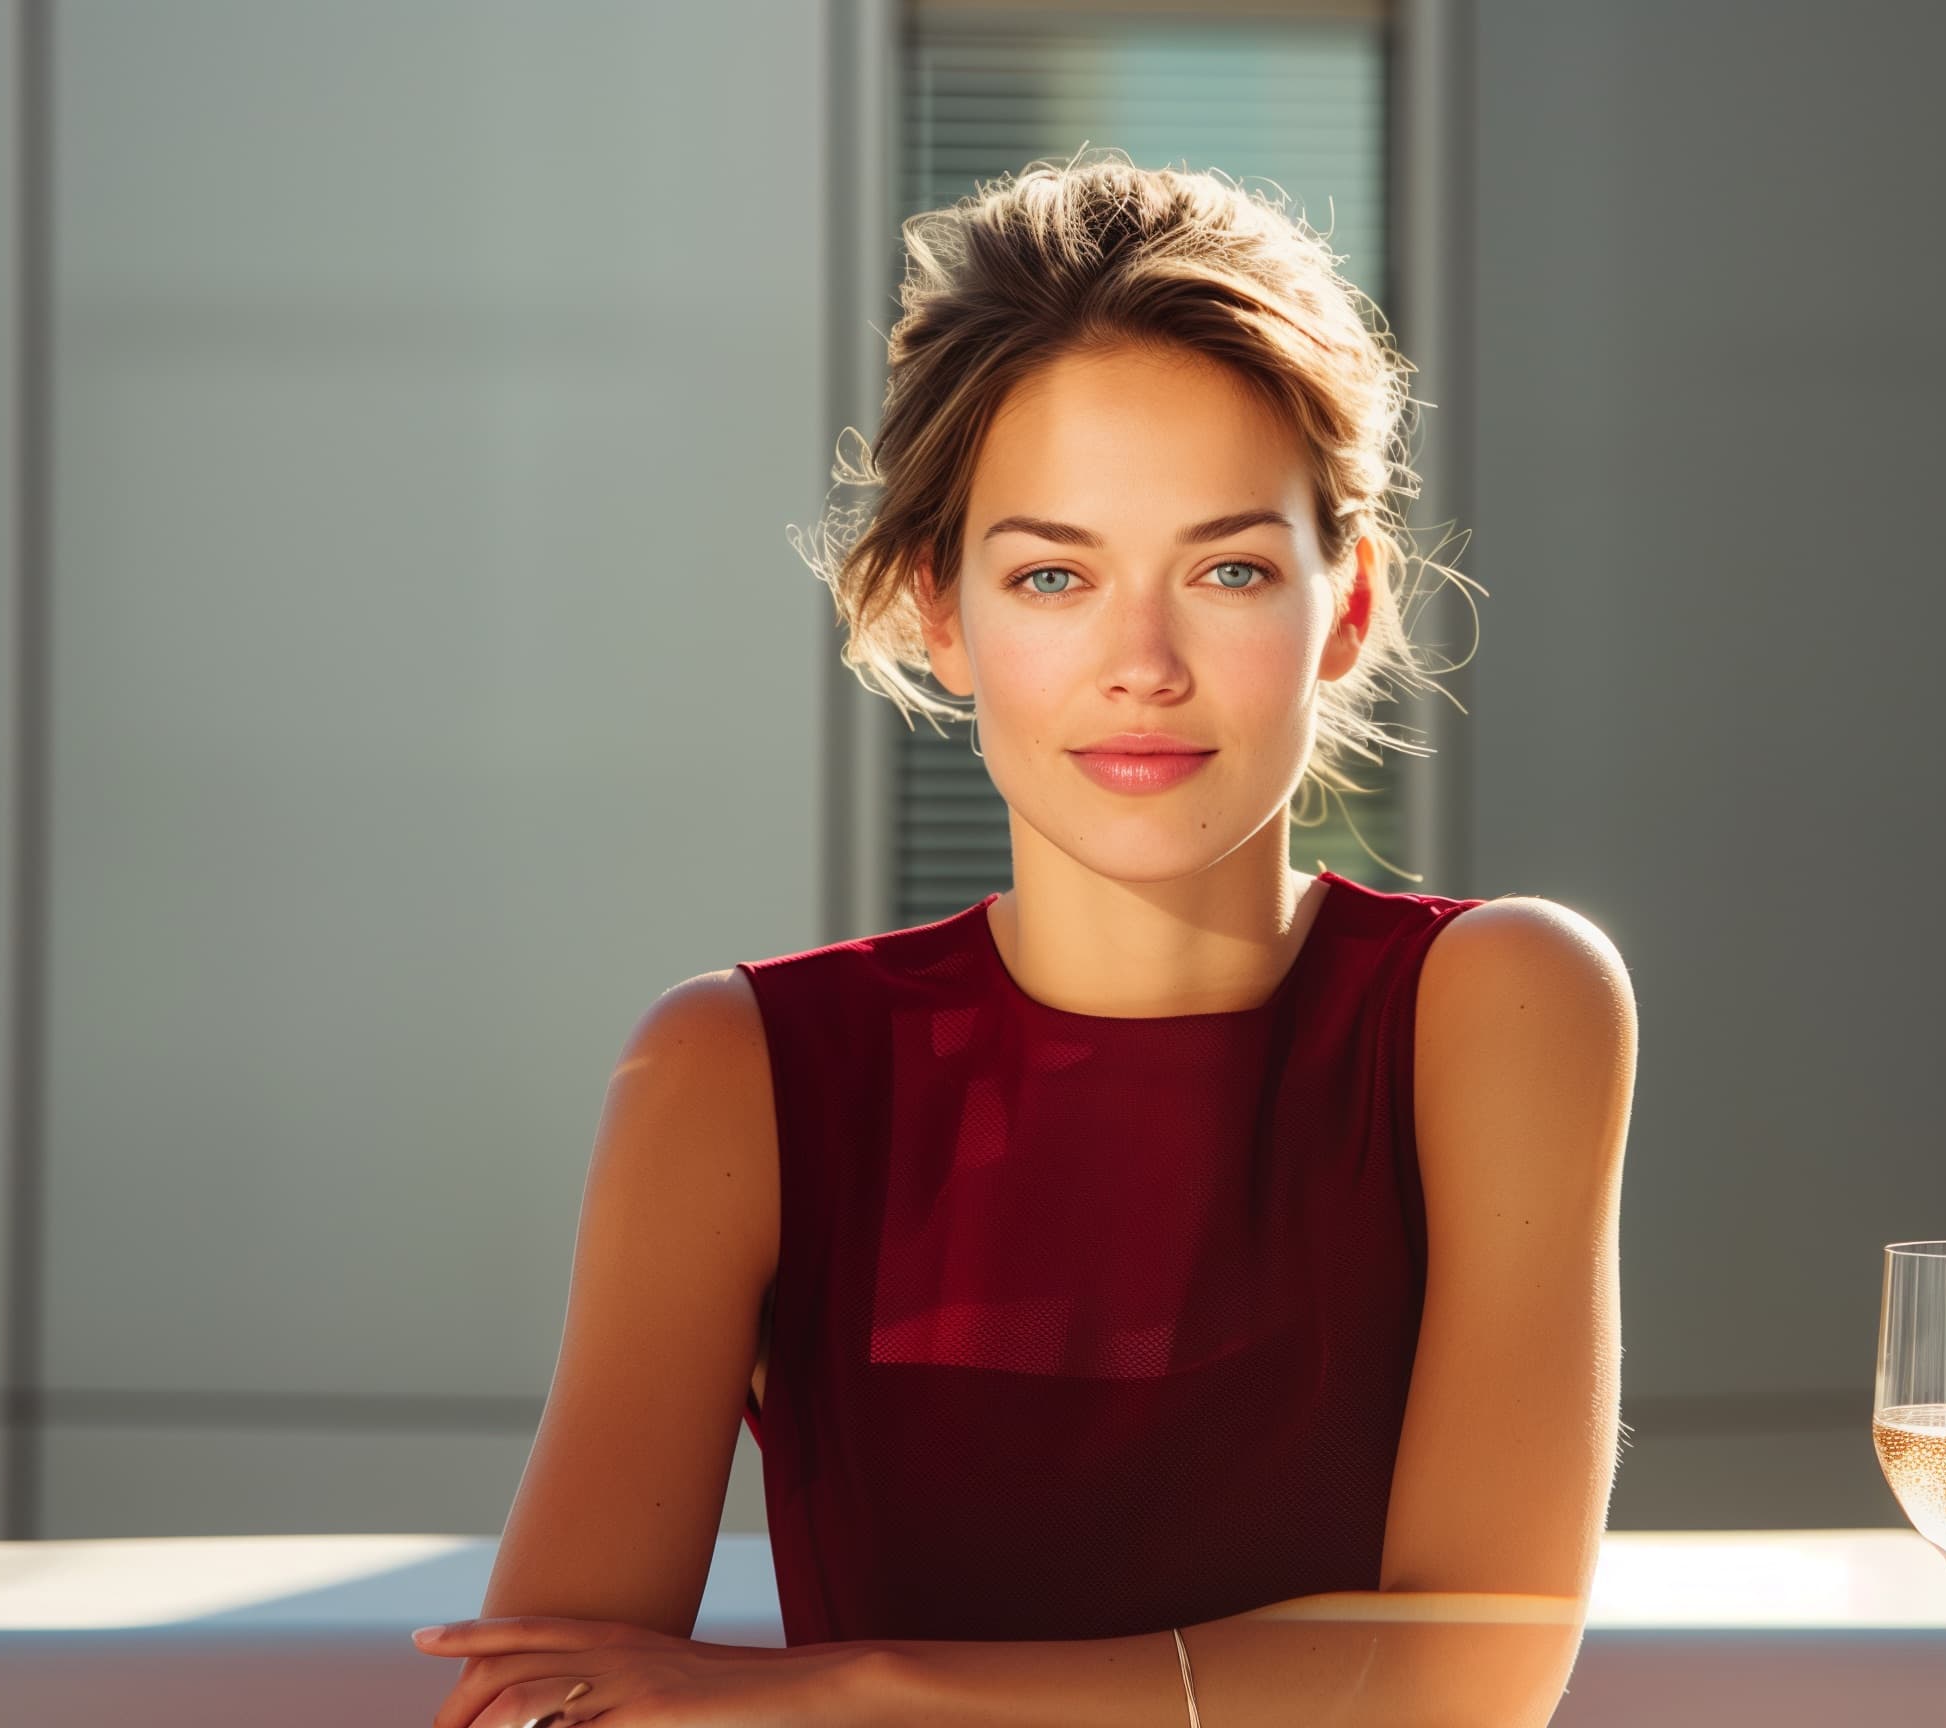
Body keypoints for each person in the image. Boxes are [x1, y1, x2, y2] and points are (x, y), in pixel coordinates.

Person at [416, 152, 1638, 1728]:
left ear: (1345, 609)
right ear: (942, 609)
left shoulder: (1500, 1004)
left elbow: (1469, 1684)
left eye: (1230, 570)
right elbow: (542, 1702)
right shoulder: (738, 1074)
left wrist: (852, 1687)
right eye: (1054, 574)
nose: (1143, 663)